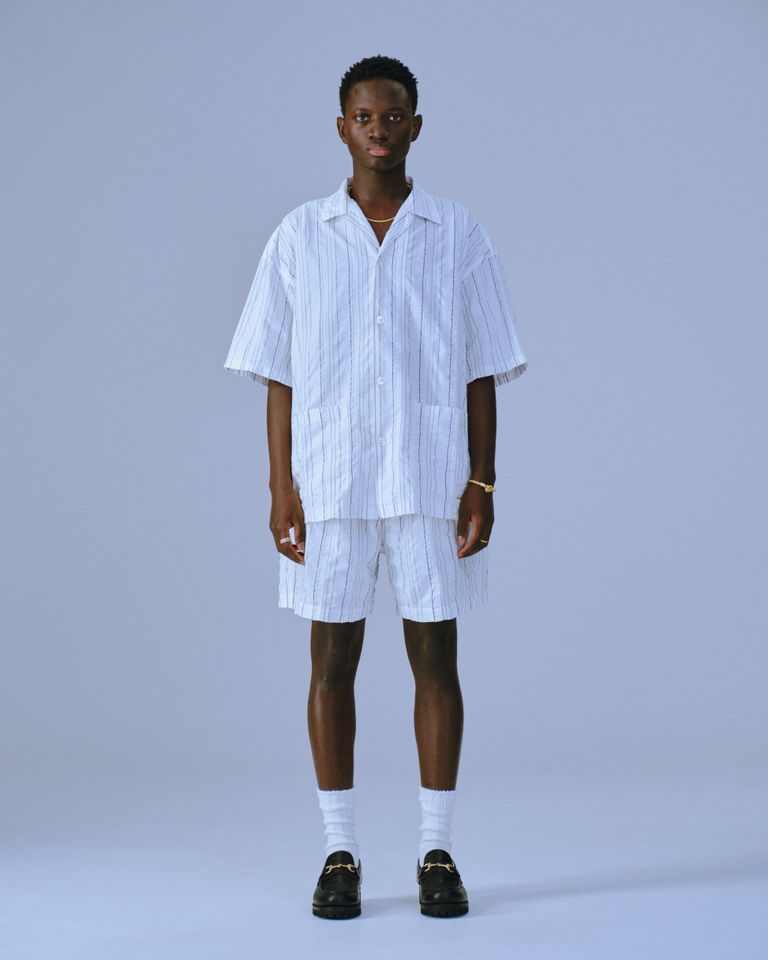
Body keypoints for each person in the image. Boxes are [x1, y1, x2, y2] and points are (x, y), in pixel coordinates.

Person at [223, 54, 527, 919]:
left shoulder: (456, 232)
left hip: (430, 475)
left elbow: (481, 365)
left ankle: (437, 851)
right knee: (332, 661)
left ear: (416, 126)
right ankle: (339, 852)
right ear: (342, 128)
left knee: (436, 658)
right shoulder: (300, 235)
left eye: (394, 117)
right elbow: (278, 371)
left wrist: (482, 480)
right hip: (331, 479)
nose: (379, 130)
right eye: (364, 117)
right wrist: (280, 485)